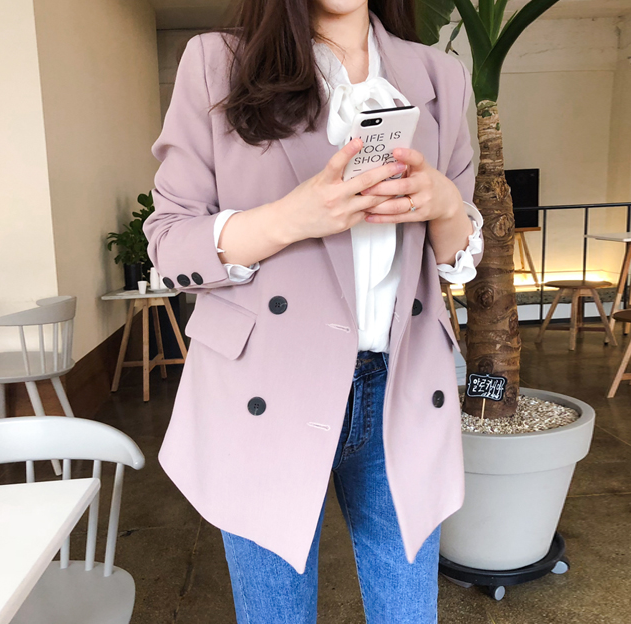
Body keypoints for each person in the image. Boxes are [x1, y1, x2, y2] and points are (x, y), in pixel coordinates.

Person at [144, 1, 482, 621]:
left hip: (401, 385)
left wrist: (445, 205)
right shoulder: (218, 62)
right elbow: (169, 243)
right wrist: (292, 218)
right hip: (268, 384)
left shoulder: (440, 75)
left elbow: (456, 258)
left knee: (409, 613)